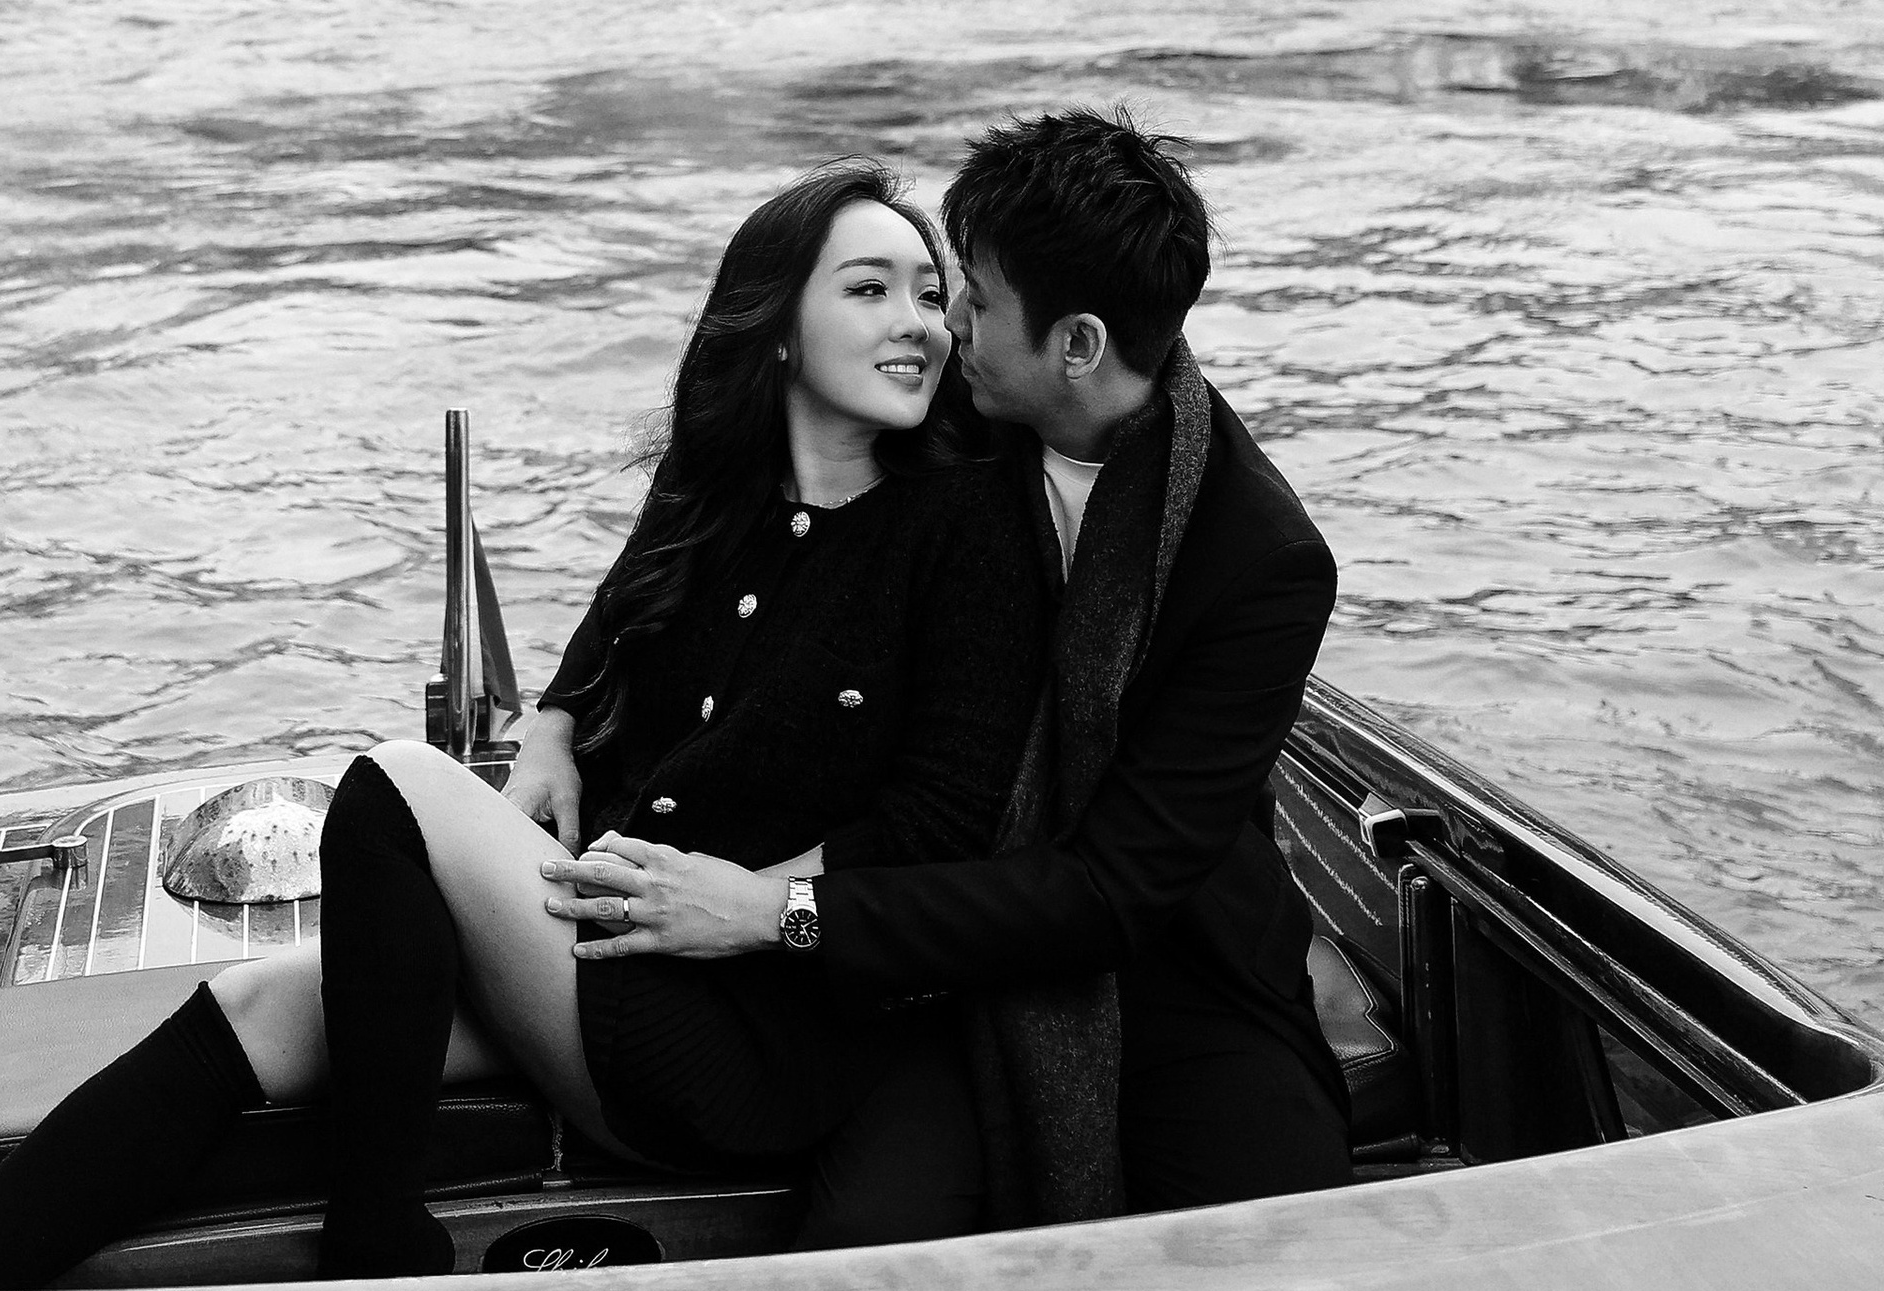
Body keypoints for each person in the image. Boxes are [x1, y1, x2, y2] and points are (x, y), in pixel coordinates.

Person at [0, 163, 1042, 1290]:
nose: (921, 323)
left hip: (751, 1021)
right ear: (777, 325)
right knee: (266, 1005)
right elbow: (613, 628)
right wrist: (548, 722)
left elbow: (943, 818)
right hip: (627, 951)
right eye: (870, 287)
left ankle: (378, 1240)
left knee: (394, 781)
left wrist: (738, 909)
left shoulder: (961, 526)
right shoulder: (715, 487)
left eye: (931, 293)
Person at [544, 109, 1351, 1224]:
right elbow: (703, 512)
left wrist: (778, 909)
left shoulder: (1257, 558)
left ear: (1075, 345)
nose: (939, 325)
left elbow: (1110, 891)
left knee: (1260, 1237)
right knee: (862, 1240)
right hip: (916, 937)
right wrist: (556, 710)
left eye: (964, 297)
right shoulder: (968, 405)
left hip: (1160, 957)